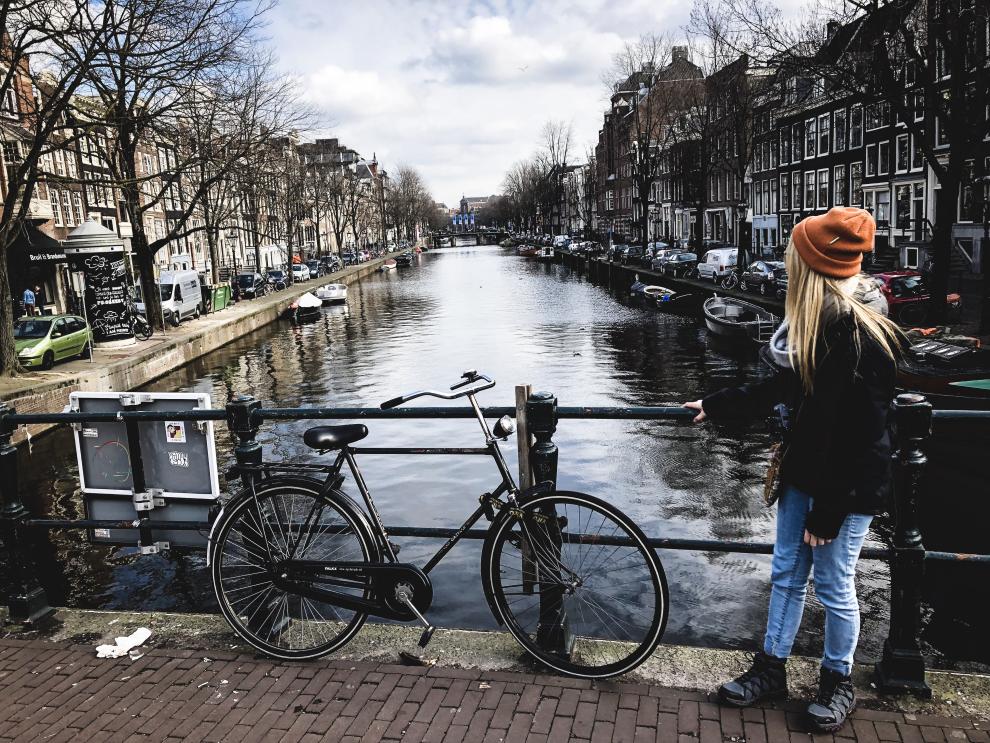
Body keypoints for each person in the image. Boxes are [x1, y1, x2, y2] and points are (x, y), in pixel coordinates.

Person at [683, 207, 901, 734]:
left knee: (834, 583)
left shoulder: (860, 334)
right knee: (785, 575)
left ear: (813, 265)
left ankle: (836, 681)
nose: (785, 266)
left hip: (843, 488)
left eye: (793, 258)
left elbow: (865, 436)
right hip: (805, 472)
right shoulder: (812, 324)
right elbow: (778, 388)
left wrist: (828, 511)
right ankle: (771, 669)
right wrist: (716, 404)